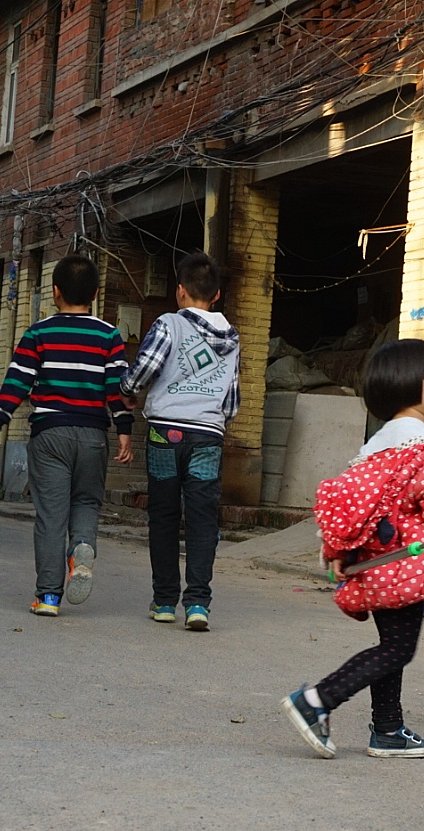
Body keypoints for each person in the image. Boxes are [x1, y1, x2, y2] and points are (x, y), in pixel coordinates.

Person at [281, 339, 424, 759]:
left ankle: (388, 729)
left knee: (393, 646)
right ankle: (317, 700)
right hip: (404, 567)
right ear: (408, 384)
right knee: (396, 649)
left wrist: (337, 549)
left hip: (376, 565)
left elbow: (353, 504)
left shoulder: (374, 451)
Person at [0, 253, 134, 617]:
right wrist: (124, 430)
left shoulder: (38, 333)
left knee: (51, 515)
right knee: (87, 502)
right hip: (93, 434)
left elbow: (17, 382)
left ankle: (48, 596)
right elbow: (117, 388)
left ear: (55, 291)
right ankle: (81, 548)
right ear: (95, 294)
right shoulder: (109, 335)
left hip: (50, 433)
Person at [121, 252, 239, 632]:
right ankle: (198, 604)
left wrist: (128, 389)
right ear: (216, 294)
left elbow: (144, 370)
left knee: (164, 516)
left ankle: (164, 601)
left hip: (165, 434)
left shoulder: (169, 324)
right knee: (203, 520)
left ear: (180, 291)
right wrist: (212, 419)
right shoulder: (232, 337)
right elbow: (232, 400)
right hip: (207, 435)